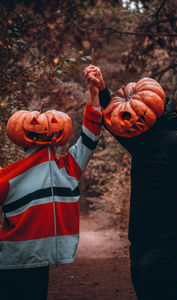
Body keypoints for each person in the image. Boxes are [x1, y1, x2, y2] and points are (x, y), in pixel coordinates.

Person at [84, 65, 177, 300]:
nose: (128, 120)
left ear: (155, 109)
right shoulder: (140, 144)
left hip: (168, 252)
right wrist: (101, 88)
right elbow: (113, 122)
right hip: (138, 250)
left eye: (135, 113)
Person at [0, 73, 102, 300]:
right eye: (35, 124)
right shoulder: (9, 177)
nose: (44, 127)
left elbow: (89, 137)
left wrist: (94, 95)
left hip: (38, 263)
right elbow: (89, 138)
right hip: (10, 263)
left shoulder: (68, 167)